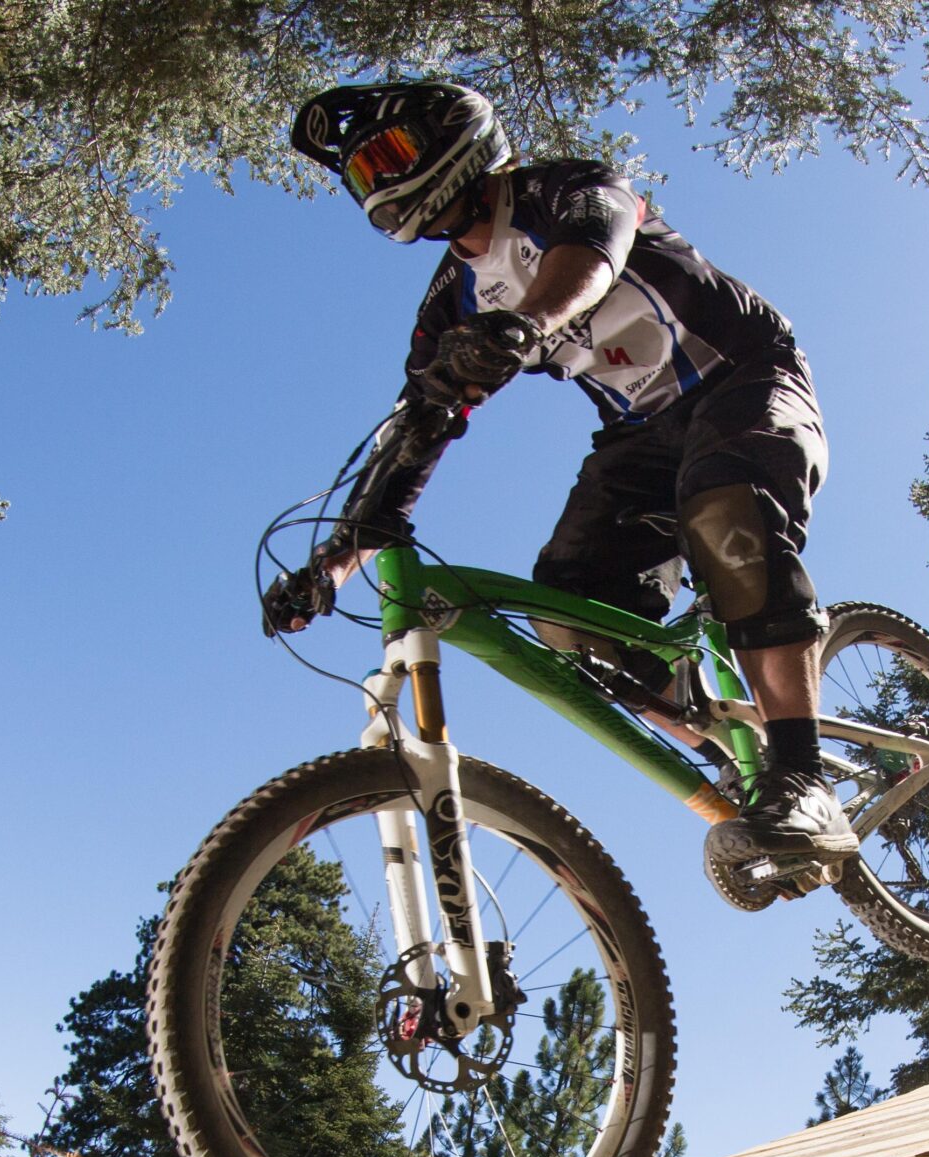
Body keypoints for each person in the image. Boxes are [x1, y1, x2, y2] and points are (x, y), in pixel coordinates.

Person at [266, 80, 856, 866]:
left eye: (388, 158)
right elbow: (419, 424)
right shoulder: (452, 299)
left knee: (725, 512)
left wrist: (526, 324)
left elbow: (598, 248)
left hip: (744, 377)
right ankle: (730, 760)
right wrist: (335, 562)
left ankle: (803, 775)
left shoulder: (560, 192)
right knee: (568, 619)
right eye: (361, 176)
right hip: (640, 434)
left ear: (452, 137)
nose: (377, 183)